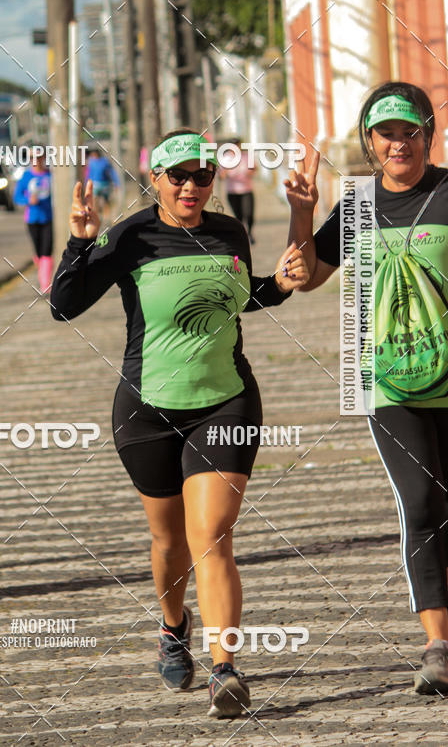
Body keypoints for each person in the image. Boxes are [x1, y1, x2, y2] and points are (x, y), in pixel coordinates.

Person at [50, 130, 309, 717]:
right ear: (156, 179)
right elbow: (63, 305)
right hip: (148, 406)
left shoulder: (228, 232)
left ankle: (225, 671)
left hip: (226, 399)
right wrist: (78, 242)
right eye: (178, 176)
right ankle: (173, 626)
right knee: (169, 541)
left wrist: (281, 286)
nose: (191, 187)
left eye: (203, 176)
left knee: (212, 535)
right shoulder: (131, 235)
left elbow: (244, 299)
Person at [287, 81, 448, 695]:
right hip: (385, 382)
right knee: (423, 502)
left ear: (427, 135)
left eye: (410, 131)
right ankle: (438, 644)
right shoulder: (355, 206)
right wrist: (304, 213)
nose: (398, 143)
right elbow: (307, 277)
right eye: (386, 133)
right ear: (369, 143)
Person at [14, 154, 53, 293]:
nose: (36, 160)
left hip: (49, 218)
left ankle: (45, 284)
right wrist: (28, 200)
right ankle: (41, 271)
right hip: (32, 219)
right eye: (32, 158)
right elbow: (17, 197)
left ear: (43, 158)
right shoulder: (26, 176)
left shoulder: (50, 175)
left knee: (46, 250)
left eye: (39, 157)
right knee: (38, 251)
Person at [221, 136, 256, 242]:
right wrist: (227, 172)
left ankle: (249, 232)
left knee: (249, 214)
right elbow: (221, 175)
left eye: (238, 145)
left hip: (246, 190)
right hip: (232, 191)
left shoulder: (246, 156)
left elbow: (254, 168)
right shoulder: (225, 158)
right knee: (238, 216)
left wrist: (250, 172)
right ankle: (242, 235)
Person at [84, 147, 121, 221]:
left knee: (106, 202)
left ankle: (106, 218)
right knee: (94, 202)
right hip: (95, 185)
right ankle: (96, 217)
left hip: (105, 185)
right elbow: (88, 174)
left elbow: (112, 173)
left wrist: (117, 183)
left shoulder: (104, 162)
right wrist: (86, 184)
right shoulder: (91, 162)